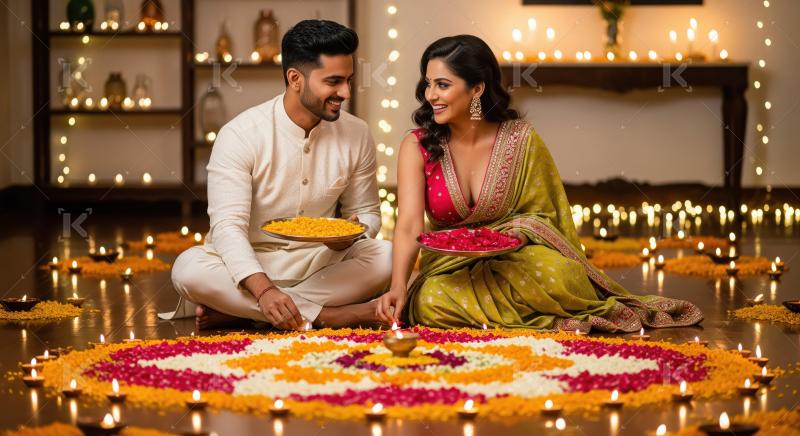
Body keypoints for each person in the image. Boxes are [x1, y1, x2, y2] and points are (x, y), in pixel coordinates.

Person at [376, 35, 702, 332]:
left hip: (518, 262)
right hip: (452, 271)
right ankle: (540, 317)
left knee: (564, 277)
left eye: (443, 85)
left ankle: (505, 316)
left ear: (477, 88)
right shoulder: (418, 146)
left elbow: (546, 216)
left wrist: (516, 232)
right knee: (429, 301)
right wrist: (399, 286)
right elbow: (407, 226)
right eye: (428, 84)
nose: (431, 95)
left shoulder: (521, 140)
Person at [162, 20, 391, 331]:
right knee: (187, 269)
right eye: (334, 81)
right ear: (295, 79)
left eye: (349, 80)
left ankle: (247, 312)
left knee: (387, 257)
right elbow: (228, 228)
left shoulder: (357, 133)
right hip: (249, 264)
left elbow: (365, 212)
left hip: (321, 263)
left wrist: (351, 236)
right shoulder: (240, 135)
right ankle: (330, 315)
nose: (346, 92)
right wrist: (265, 290)